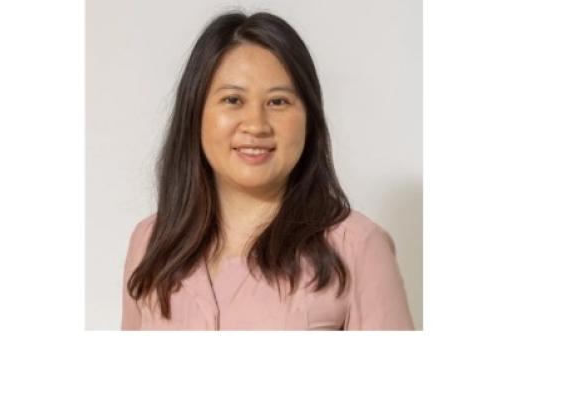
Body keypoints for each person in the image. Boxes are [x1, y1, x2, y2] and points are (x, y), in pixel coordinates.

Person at [121, 11, 413, 330]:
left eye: (278, 102)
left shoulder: (359, 248)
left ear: (309, 118)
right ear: (196, 113)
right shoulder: (150, 243)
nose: (256, 125)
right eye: (233, 100)